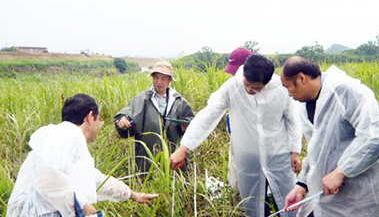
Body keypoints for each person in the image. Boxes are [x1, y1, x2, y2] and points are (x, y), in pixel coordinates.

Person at [170, 55, 302, 217]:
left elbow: (293, 119)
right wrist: (184, 148)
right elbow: (208, 115)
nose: (249, 90)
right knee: (253, 205)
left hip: (279, 154)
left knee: (288, 201)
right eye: (247, 85)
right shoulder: (232, 87)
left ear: (266, 83)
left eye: (256, 88)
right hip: (248, 158)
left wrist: (295, 150)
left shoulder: (280, 88)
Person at [7, 93, 158, 217]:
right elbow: (47, 175)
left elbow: (97, 180)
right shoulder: (68, 134)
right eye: (99, 120)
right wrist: (85, 207)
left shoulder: (65, 138)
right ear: (90, 117)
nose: (99, 126)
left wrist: (133, 195)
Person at [281, 56, 379, 216]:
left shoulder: (347, 91)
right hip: (329, 197)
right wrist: (302, 185)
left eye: (288, 87)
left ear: (301, 78)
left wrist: (342, 171)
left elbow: (377, 136)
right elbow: (316, 151)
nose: (288, 94)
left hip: (360, 196)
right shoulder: (305, 106)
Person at [115, 61, 194, 173]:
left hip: (173, 156)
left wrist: (185, 127)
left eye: (163, 79)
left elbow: (191, 122)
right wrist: (122, 121)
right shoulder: (142, 99)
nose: (159, 82)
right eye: (156, 78)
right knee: (148, 182)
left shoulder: (179, 101)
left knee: (174, 182)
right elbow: (125, 114)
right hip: (147, 156)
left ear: (169, 81)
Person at [224, 47, 252, 192]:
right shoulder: (233, 88)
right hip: (236, 142)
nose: (233, 76)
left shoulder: (258, 90)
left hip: (250, 149)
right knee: (235, 182)